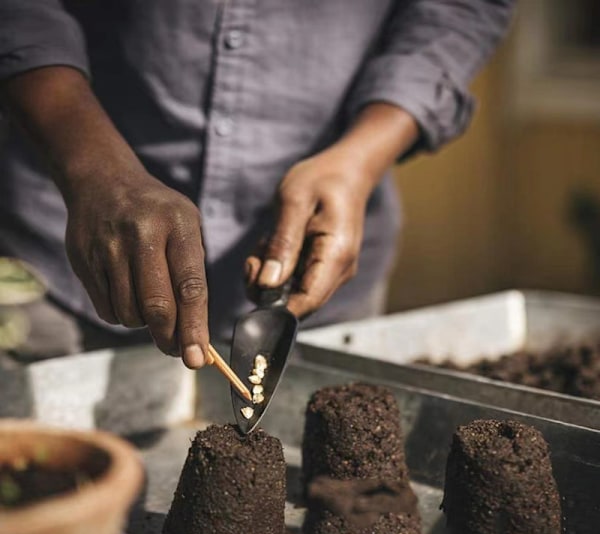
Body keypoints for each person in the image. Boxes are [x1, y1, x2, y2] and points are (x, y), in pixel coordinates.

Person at [0, 1, 514, 366]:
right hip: (57, 260)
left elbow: (460, 8)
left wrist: (360, 157)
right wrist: (91, 166)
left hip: (327, 286)